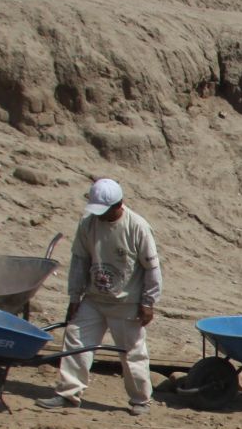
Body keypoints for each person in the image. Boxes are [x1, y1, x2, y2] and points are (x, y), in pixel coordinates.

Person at [39, 178, 162, 415]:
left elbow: (152, 269)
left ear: (118, 205)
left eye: (104, 210)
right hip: (94, 299)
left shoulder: (137, 227)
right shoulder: (88, 224)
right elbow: (79, 261)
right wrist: (75, 297)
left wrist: (148, 302)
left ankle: (140, 400)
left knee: (132, 352)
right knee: (76, 340)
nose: (100, 215)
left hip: (126, 302)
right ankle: (68, 393)